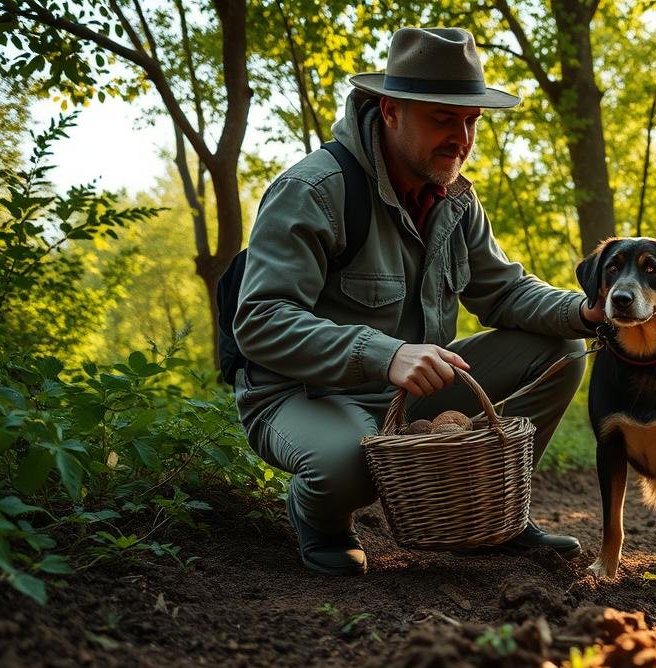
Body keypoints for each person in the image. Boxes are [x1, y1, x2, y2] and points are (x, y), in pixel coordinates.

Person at [232, 27, 602, 576]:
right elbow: (261, 321)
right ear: (390, 110)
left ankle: (493, 517)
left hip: (410, 392)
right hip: (302, 395)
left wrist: (585, 310)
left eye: (471, 120)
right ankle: (320, 517)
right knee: (351, 463)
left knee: (563, 350)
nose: (462, 137)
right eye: (443, 118)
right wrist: (384, 353)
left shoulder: (455, 199)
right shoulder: (313, 191)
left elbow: (503, 292)